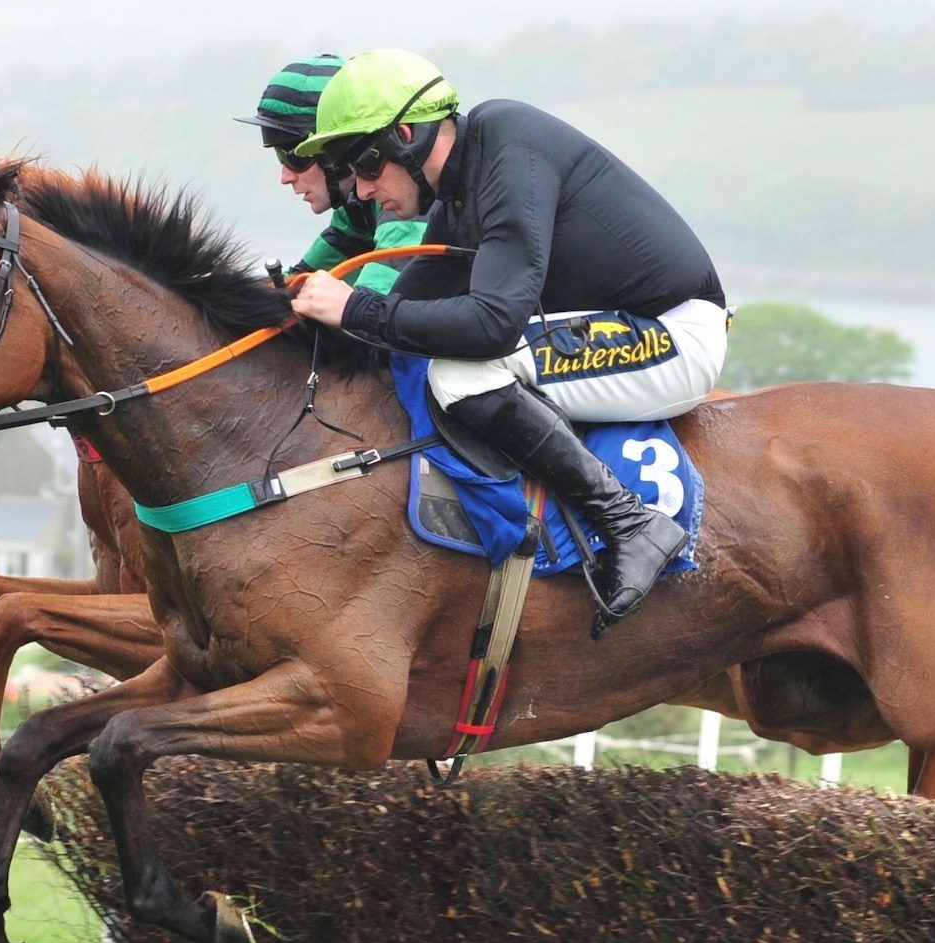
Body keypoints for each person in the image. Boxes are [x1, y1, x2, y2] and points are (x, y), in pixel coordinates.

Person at [291, 50, 729, 635]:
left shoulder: (509, 151)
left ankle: (629, 522)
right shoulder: (464, 184)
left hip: (675, 337)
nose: (364, 192)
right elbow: (411, 308)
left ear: (406, 135)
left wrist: (356, 307)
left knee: (462, 374)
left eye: (367, 169)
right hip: (619, 324)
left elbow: (492, 326)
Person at [236, 54, 424, 295]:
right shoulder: (355, 207)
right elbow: (299, 280)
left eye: (295, 158)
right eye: (280, 157)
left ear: (336, 151)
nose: (285, 177)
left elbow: (369, 305)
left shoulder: (401, 197)